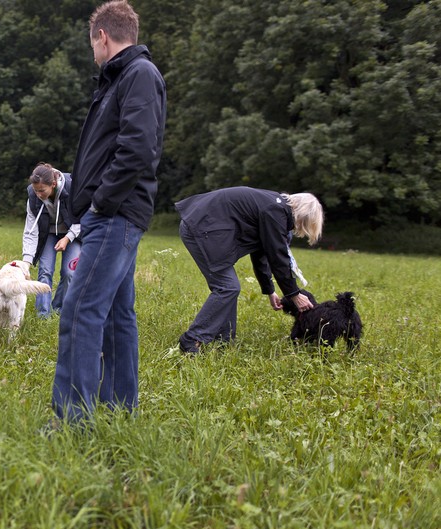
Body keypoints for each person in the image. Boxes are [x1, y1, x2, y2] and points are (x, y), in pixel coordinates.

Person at [50, 0, 167, 425]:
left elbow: (137, 148)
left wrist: (101, 202)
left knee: (80, 310)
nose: (93, 52)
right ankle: (120, 407)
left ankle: (71, 420)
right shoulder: (121, 79)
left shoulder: (137, 75)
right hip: (116, 212)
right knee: (118, 314)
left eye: (92, 44)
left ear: (102, 36)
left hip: (114, 214)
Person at [175, 186, 324, 353]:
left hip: (202, 226)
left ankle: (223, 341)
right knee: (227, 287)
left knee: (228, 287)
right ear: (303, 217)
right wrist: (294, 294)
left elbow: (261, 253)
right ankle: (192, 340)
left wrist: (270, 290)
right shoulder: (275, 211)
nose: (297, 230)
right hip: (200, 229)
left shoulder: (274, 207)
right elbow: (278, 257)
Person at [22, 163, 81, 318]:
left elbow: (83, 218)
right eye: (36, 190)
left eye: (42, 190)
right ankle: (43, 314)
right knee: (45, 271)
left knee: (69, 272)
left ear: (53, 184)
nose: (38, 194)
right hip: (48, 233)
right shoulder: (33, 197)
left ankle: (59, 309)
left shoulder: (72, 187)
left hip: (72, 233)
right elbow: (30, 230)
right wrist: (26, 262)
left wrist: (67, 238)